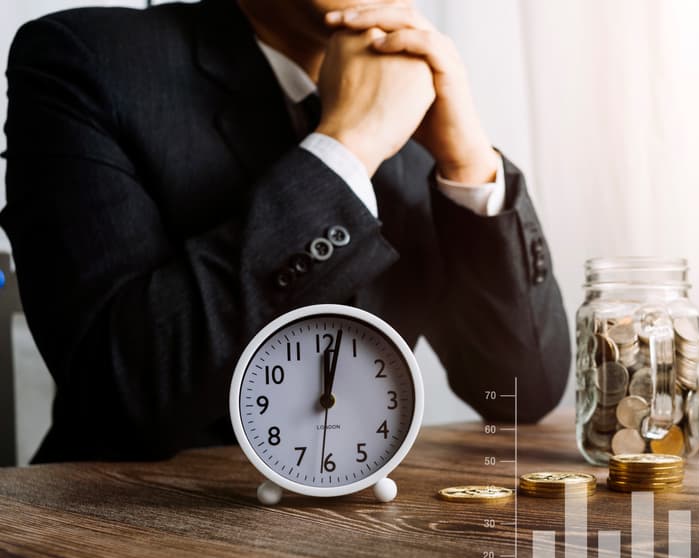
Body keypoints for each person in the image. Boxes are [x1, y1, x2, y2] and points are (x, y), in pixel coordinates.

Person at [1, 0, 570, 463]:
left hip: (372, 533)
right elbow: (119, 396)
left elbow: (520, 395)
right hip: (128, 539)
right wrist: (348, 150)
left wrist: (468, 165)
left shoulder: (416, 102)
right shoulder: (87, 59)